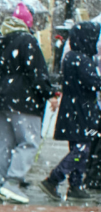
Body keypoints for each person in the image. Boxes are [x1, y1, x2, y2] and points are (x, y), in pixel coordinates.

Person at [0, 2, 57, 204]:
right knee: (28, 141)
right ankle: (12, 183)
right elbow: (37, 71)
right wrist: (49, 92)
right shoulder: (27, 41)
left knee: (2, 143)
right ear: (27, 24)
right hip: (23, 99)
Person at [39, 22, 100, 202]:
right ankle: (54, 178)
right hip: (82, 110)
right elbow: (93, 82)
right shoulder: (82, 59)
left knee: (79, 148)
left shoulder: (72, 56)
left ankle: (75, 185)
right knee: (81, 149)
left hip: (73, 109)